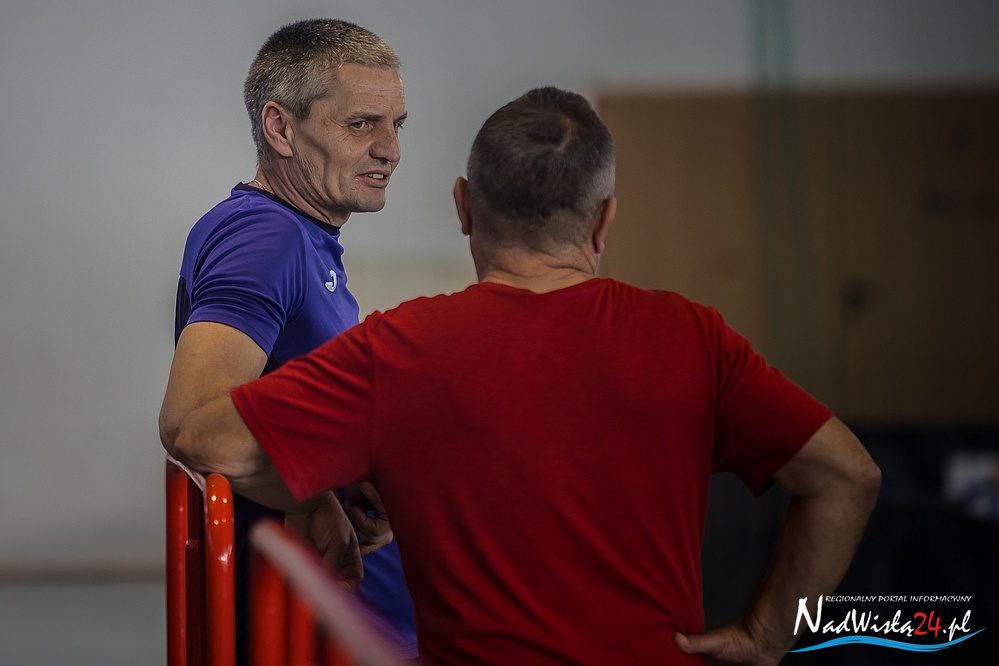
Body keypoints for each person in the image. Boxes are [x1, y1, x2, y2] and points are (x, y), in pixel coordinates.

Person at [164, 86, 881, 664]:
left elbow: (205, 439)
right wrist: (766, 636)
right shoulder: (694, 337)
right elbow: (848, 477)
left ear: (463, 207)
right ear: (603, 221)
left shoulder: (401, 348)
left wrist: (317, 490)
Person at [158, 18, 417, 662]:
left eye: (397, 125)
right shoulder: (265, 237)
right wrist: (311, 494)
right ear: (280, 128)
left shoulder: (296, 235)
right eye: (361, 124)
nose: (390, 149)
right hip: (312, 631)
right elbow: (189, 421)